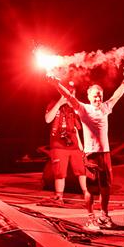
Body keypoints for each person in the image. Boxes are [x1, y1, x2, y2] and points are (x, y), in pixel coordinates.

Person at [50, 76, 124, 226]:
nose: (98, 97)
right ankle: (91, 218)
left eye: (100, 95)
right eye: (95, 95)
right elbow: (68, 96)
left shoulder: (106, 108)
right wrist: (56, 84)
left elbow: (117, 95)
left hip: (105, 154)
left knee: (106, 187)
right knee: (91, 189)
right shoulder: (83, 109)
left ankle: (104, 216)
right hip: (91, 155)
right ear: (89, 97)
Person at [44, 80, 92, 213]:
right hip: (58, 145)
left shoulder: (75, 107)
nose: (71, 94)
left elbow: (77, 129)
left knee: (81, 170)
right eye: (69, 92)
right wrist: (59, 103)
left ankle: (86, 194)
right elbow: (48, 119)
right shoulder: (54, 103)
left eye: (73, 92)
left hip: (74, 145)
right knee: (60, 173)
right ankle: (59, 197)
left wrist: (82, 147)